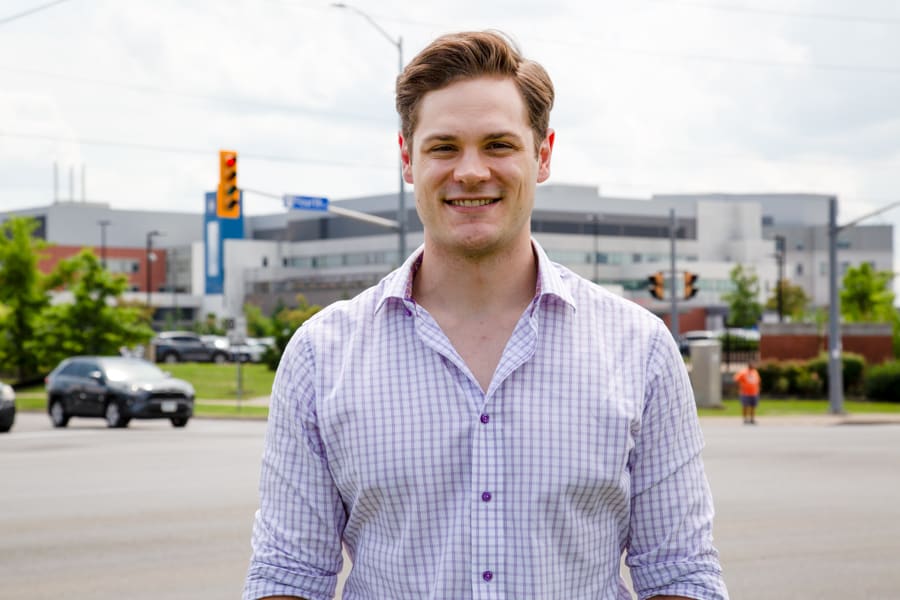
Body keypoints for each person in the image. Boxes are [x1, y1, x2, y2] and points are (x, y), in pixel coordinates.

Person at [244, 30, 728, 600]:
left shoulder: (638, 348)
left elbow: (679, 575)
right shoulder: (321, 355)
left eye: (498, 145)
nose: (471, 171)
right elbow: (287, 576)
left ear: (542, 155)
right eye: (444, 147)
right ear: (407, 159)